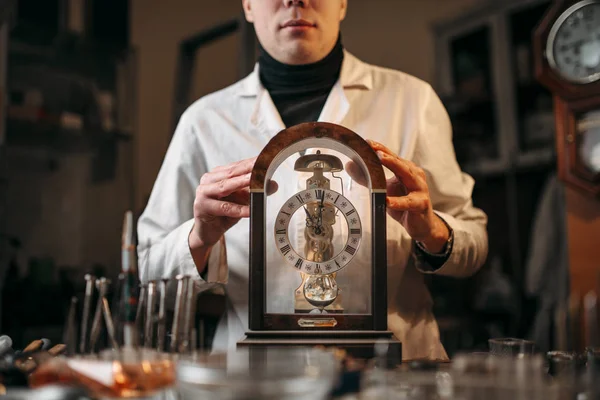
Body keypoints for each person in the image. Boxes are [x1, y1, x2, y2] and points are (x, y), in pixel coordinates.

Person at [137, 0, 488, 360]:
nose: (295, 0)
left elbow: (474, 246)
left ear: (342, 4)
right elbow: (149, 272)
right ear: (247, 5)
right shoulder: (203, 122)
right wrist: (200, 237)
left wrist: (432, 232)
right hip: (256, 377)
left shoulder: (413, 101)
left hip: (393, 372)